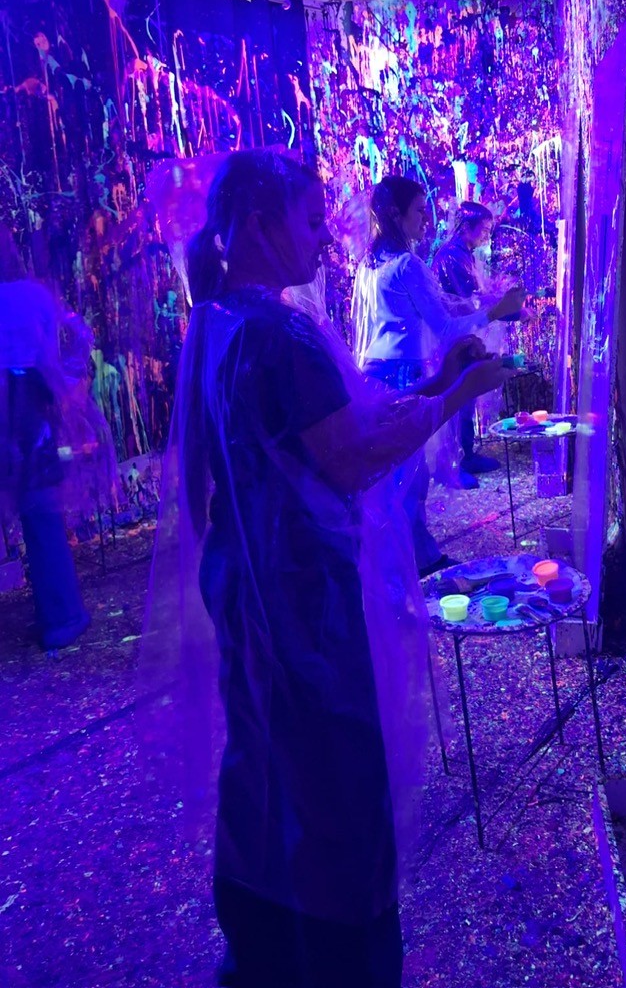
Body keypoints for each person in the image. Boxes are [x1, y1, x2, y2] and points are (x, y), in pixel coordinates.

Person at [147, 151, 512, 988]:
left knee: (262, 765)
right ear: (259, 226)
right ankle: (345, 958)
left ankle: (262, 949)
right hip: (306, 597)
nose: (325, 239)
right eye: (311, 220)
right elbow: (351, 456)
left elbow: (244, 466)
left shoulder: (214, 324)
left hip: (245, 589)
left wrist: (436, 380)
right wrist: (455, 397)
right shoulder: (280, 335)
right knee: (336, 774)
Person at [352, 177, 525, 570]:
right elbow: (445, 327)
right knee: (410, 474)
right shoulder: (407, 265)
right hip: (404, 375)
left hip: (374, 374)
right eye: (418, 211)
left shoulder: (370, 264)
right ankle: (417, 561)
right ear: (396, 214)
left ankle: (403, 556)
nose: (425, 220)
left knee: (391, 476)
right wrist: (496, 312)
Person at [0, 228, 91, 651]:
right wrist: (64, 382)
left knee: (35, 513)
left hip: (15, 407)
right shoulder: (33, 295)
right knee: (42, 515)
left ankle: (59, 615)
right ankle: (61, 615)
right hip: (32, 404)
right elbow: (70, 338)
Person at [431, 201, 503, 488]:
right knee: (457, 397)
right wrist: (503, 307)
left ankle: (467, 454)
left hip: (464, 333)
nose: (487, 235)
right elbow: (467, 298)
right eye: (483, 229)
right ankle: (452, 463)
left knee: (466, 395)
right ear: (466, 228)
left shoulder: (464, 255)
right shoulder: (452, 257)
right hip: (453, 336)